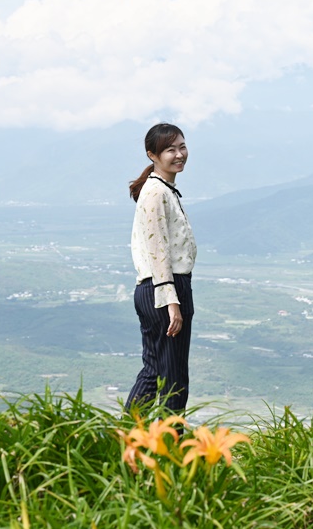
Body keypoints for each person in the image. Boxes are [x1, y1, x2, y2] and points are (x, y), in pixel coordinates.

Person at [125, 123, 197, 416]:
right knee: (173, 378)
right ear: (152, 155)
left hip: (155, 289)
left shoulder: (162, 189)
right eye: (170, 149)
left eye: (182, 146)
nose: (179, 154)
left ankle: (126, 438)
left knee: (155, 371)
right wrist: (172, 301)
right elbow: (159, 251)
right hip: (165, 290)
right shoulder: (156, 193)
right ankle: (170, 446)